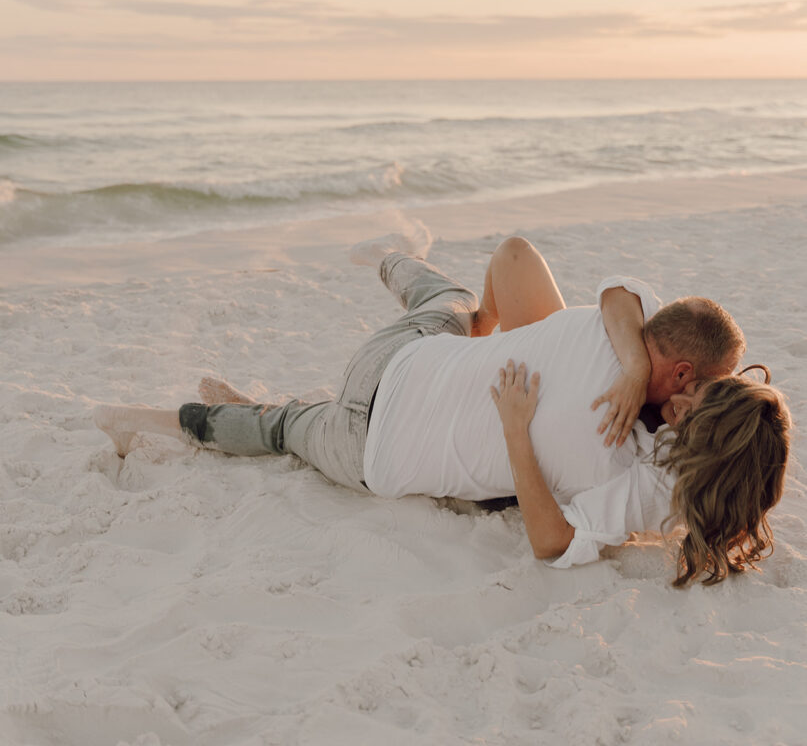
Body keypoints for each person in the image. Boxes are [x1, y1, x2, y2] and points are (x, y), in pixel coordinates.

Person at [94, 236, 791, 586]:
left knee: (449, 306)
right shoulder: (628, 470)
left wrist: (528, 414)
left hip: (399, 366)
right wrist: (519, 433)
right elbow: (555, 542)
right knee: (284, 433)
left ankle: (396, 259)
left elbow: (560, 267)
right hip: (374, 458)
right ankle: (168, 419)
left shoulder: (619, 327)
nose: (678, 407)